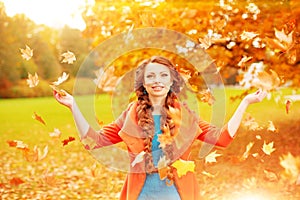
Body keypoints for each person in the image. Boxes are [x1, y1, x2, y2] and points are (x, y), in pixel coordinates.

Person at [53, 56, 267, 200]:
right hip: (141, 194)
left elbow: (222, 139)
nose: (157, 81)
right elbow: (94, 142)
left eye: (164, 75)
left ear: (172, 81)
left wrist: (245, 103)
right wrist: (74, 106)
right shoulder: (131, 113)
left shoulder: (185, 115)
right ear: (143, 83)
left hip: (177, 194)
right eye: (151, 76)